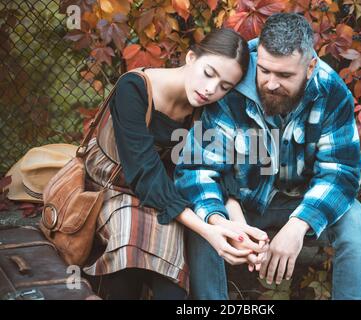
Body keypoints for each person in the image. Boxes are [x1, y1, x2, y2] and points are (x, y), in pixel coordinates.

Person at [175, 13, 361, 300]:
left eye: (284, 75)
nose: (271, 83)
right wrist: (224, 222)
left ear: (310, 67)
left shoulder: (332, 92)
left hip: (301, 201)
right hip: (242, 205)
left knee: (355, 221)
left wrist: (299, 224)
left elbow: (341, 172)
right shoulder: (230, 85)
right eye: (265, 70)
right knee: (204, 227)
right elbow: (196, 168)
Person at [81, 28, 269, 300]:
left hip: (168, 195)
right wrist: (209, 230)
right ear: (191, 57)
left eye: (224, 87)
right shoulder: (134, 88)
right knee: (129, 248)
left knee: (171, 283)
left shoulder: (206, 108)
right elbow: (144, 174)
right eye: (208, 73)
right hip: (112, 187)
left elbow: (215, 167)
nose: (210, 90)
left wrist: (234, 223)